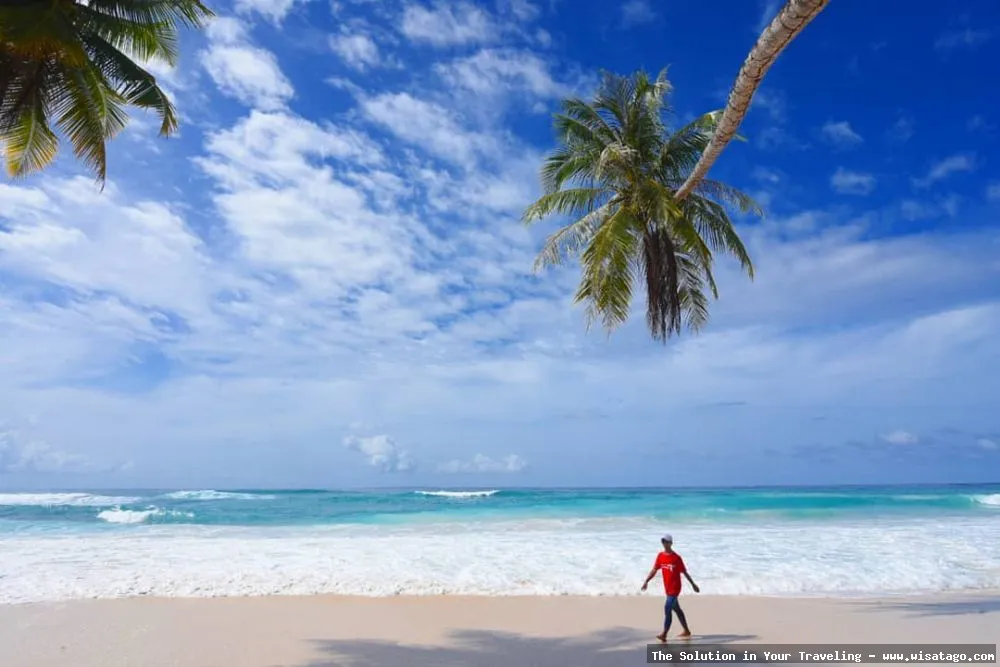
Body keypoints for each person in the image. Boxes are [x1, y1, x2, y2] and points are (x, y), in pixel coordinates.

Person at [640, 533, 699, 642]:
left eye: (666, 541)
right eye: (663, 541)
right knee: (676, 609)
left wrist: (693, 584)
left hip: (675, 588)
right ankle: (686, 630)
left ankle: (664, 634)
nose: (664, 543)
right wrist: (646, 581)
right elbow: (654, 570)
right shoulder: (660, 556)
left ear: (671, 543)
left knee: (667, 608)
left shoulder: (676, 558)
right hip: (667, 588)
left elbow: (684, 572)